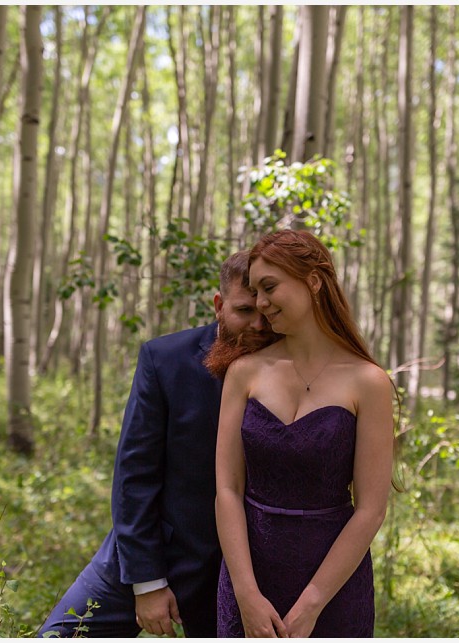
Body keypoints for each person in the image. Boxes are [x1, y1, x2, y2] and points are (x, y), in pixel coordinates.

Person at [38, 251, 274, 638]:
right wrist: (147, 582)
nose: (259, 325)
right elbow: (134, 475)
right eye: (244, 310)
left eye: (267, 311)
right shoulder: (164, 360)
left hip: (240, 569)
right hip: (156, 545)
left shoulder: (294, 367)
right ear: (218, 306)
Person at [213, 229, 395, 638]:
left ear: (313, 281)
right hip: (249, 577)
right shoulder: (244, 372)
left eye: (270, 287)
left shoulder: (369, 382)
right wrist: (245, 594)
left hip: (332, 585)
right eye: (256, 291)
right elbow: (227, 488)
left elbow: (371, 509)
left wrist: (312, 603)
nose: (261, 303)